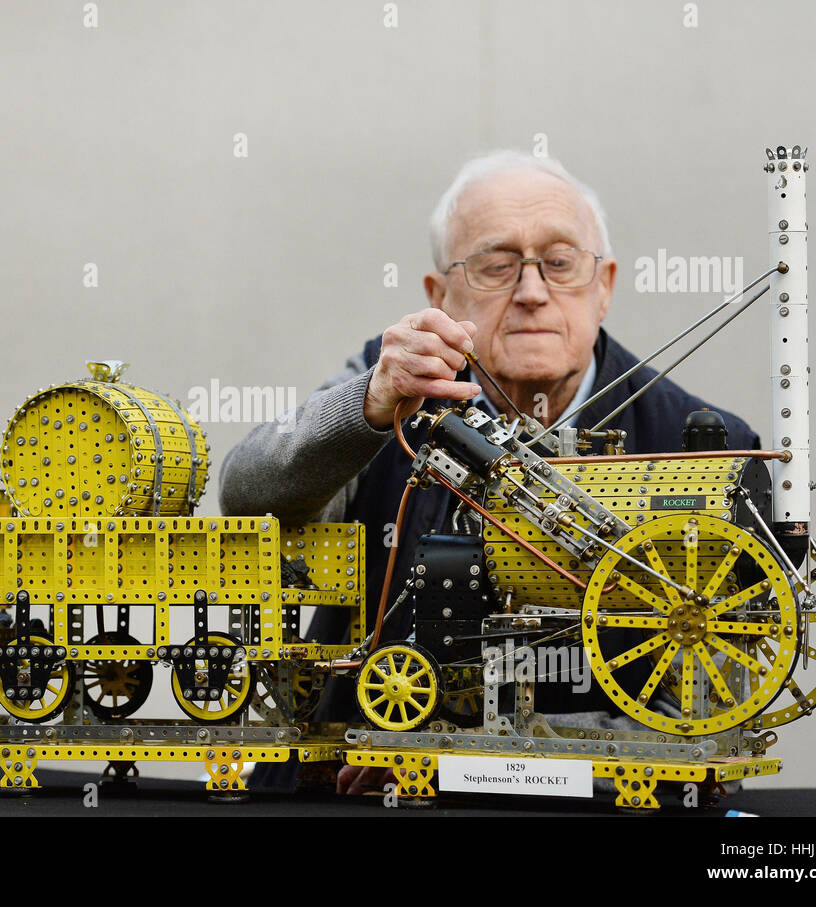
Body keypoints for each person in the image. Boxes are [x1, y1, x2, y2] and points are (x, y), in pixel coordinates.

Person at [218, 150, 760, 794]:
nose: (532, 292)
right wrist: (366, 404)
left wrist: (460, 760)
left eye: (560, 263)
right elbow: (246, 494)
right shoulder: (388, 392)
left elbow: (712, 722)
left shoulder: (703, 448)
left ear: (605, 285)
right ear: (438, 295)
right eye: (496, 265)